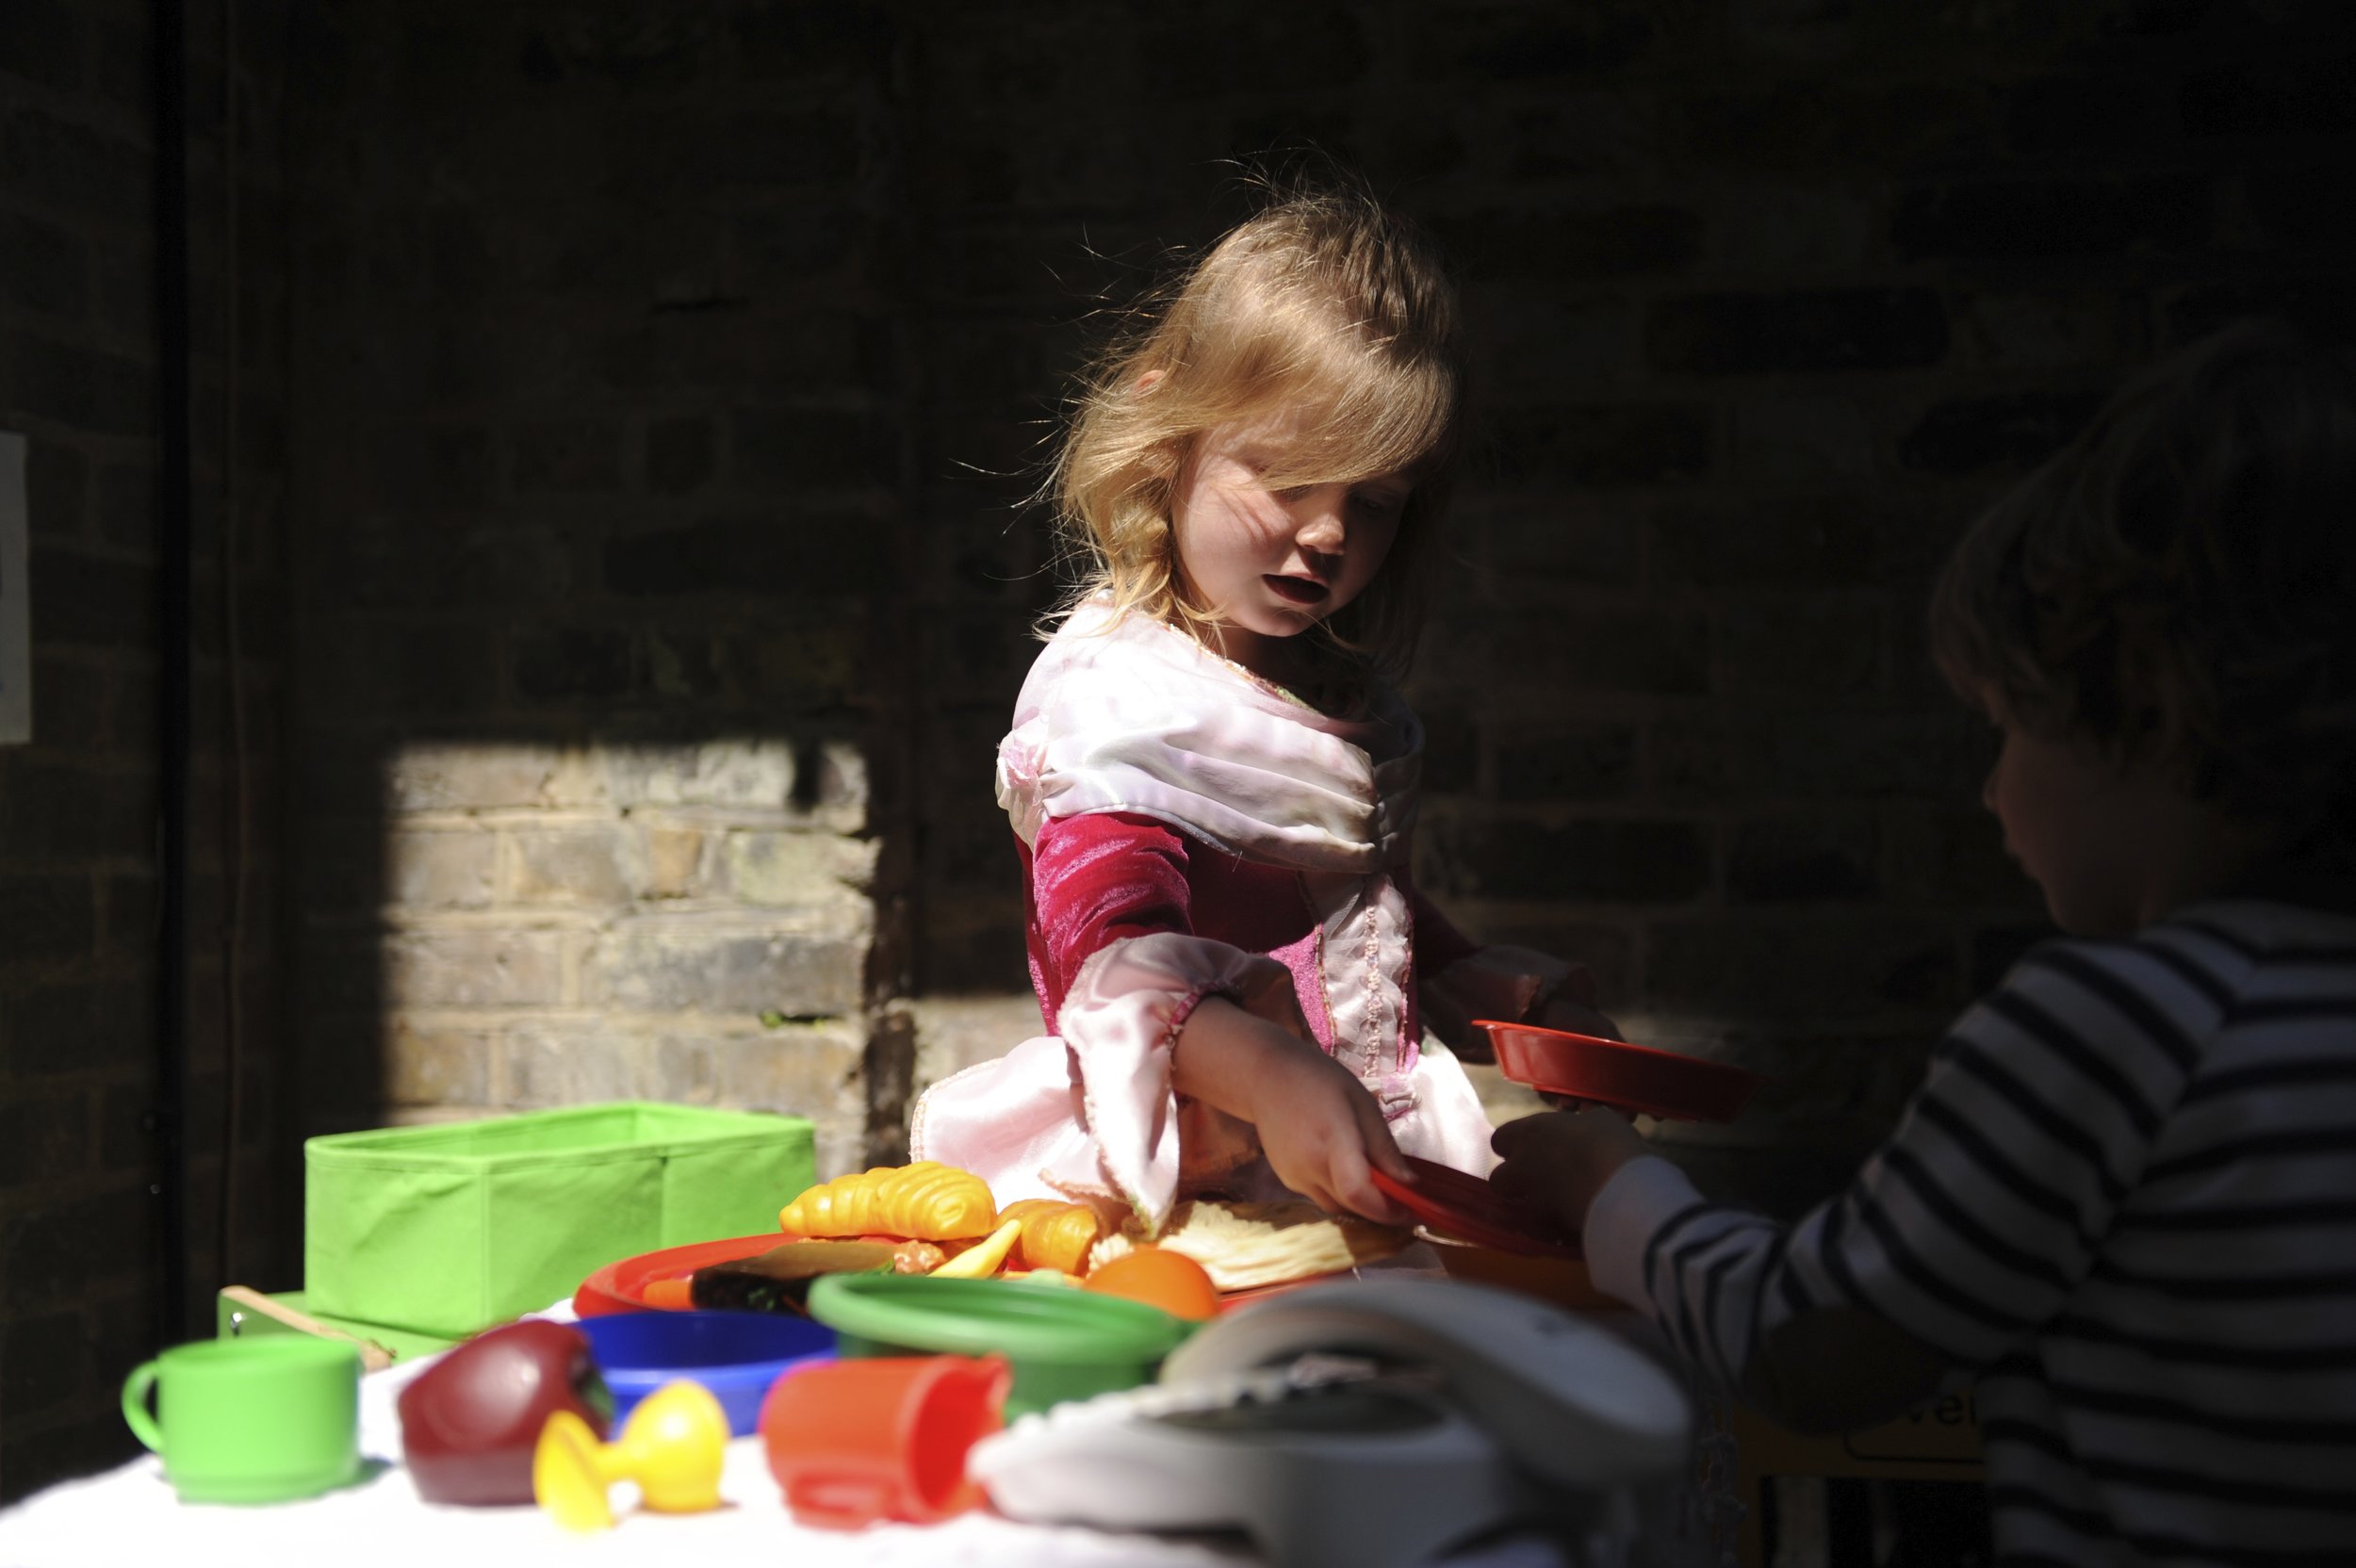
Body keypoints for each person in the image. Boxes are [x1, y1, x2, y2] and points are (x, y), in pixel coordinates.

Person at [1490, 319, 2356, 1562]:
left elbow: (1809, 1343)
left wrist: (1609, 1185)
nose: (1993, 791)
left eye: (2008, 726)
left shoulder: (2121, 1027)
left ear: (2148, 710)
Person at [911, 177, 1616, 1235]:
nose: (1329, 534)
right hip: (1205, 1176)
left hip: (1362, 1162)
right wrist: (1270, 1070)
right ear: (1169, 438)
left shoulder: (1330, 700)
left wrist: (1516, 1012)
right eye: (1290, 480)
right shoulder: (1122, 701)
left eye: (1373, 502)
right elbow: (1104, 945)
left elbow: (1360, 929)